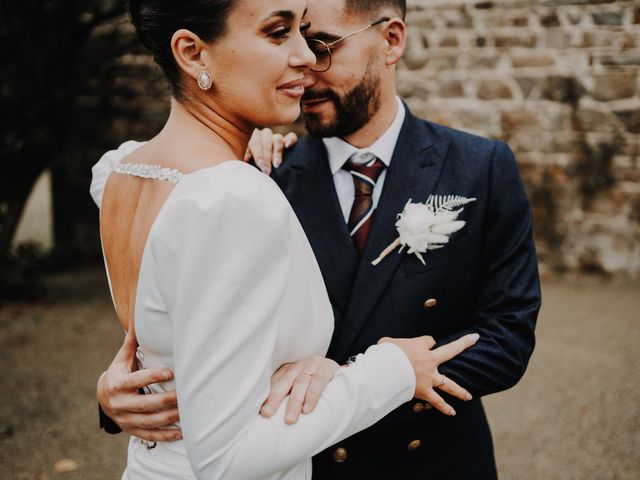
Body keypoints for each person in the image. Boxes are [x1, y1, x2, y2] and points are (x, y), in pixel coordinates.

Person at [92, 0, 541, 478]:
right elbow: (193, 338)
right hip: (302, 458)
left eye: (321, 44)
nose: (306, 62)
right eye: (283, 34)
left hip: (425, 458)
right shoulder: (256, 173)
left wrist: (373, 377)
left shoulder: (479, 166)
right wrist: (122, 391)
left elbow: (506, 335)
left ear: (390, 40)